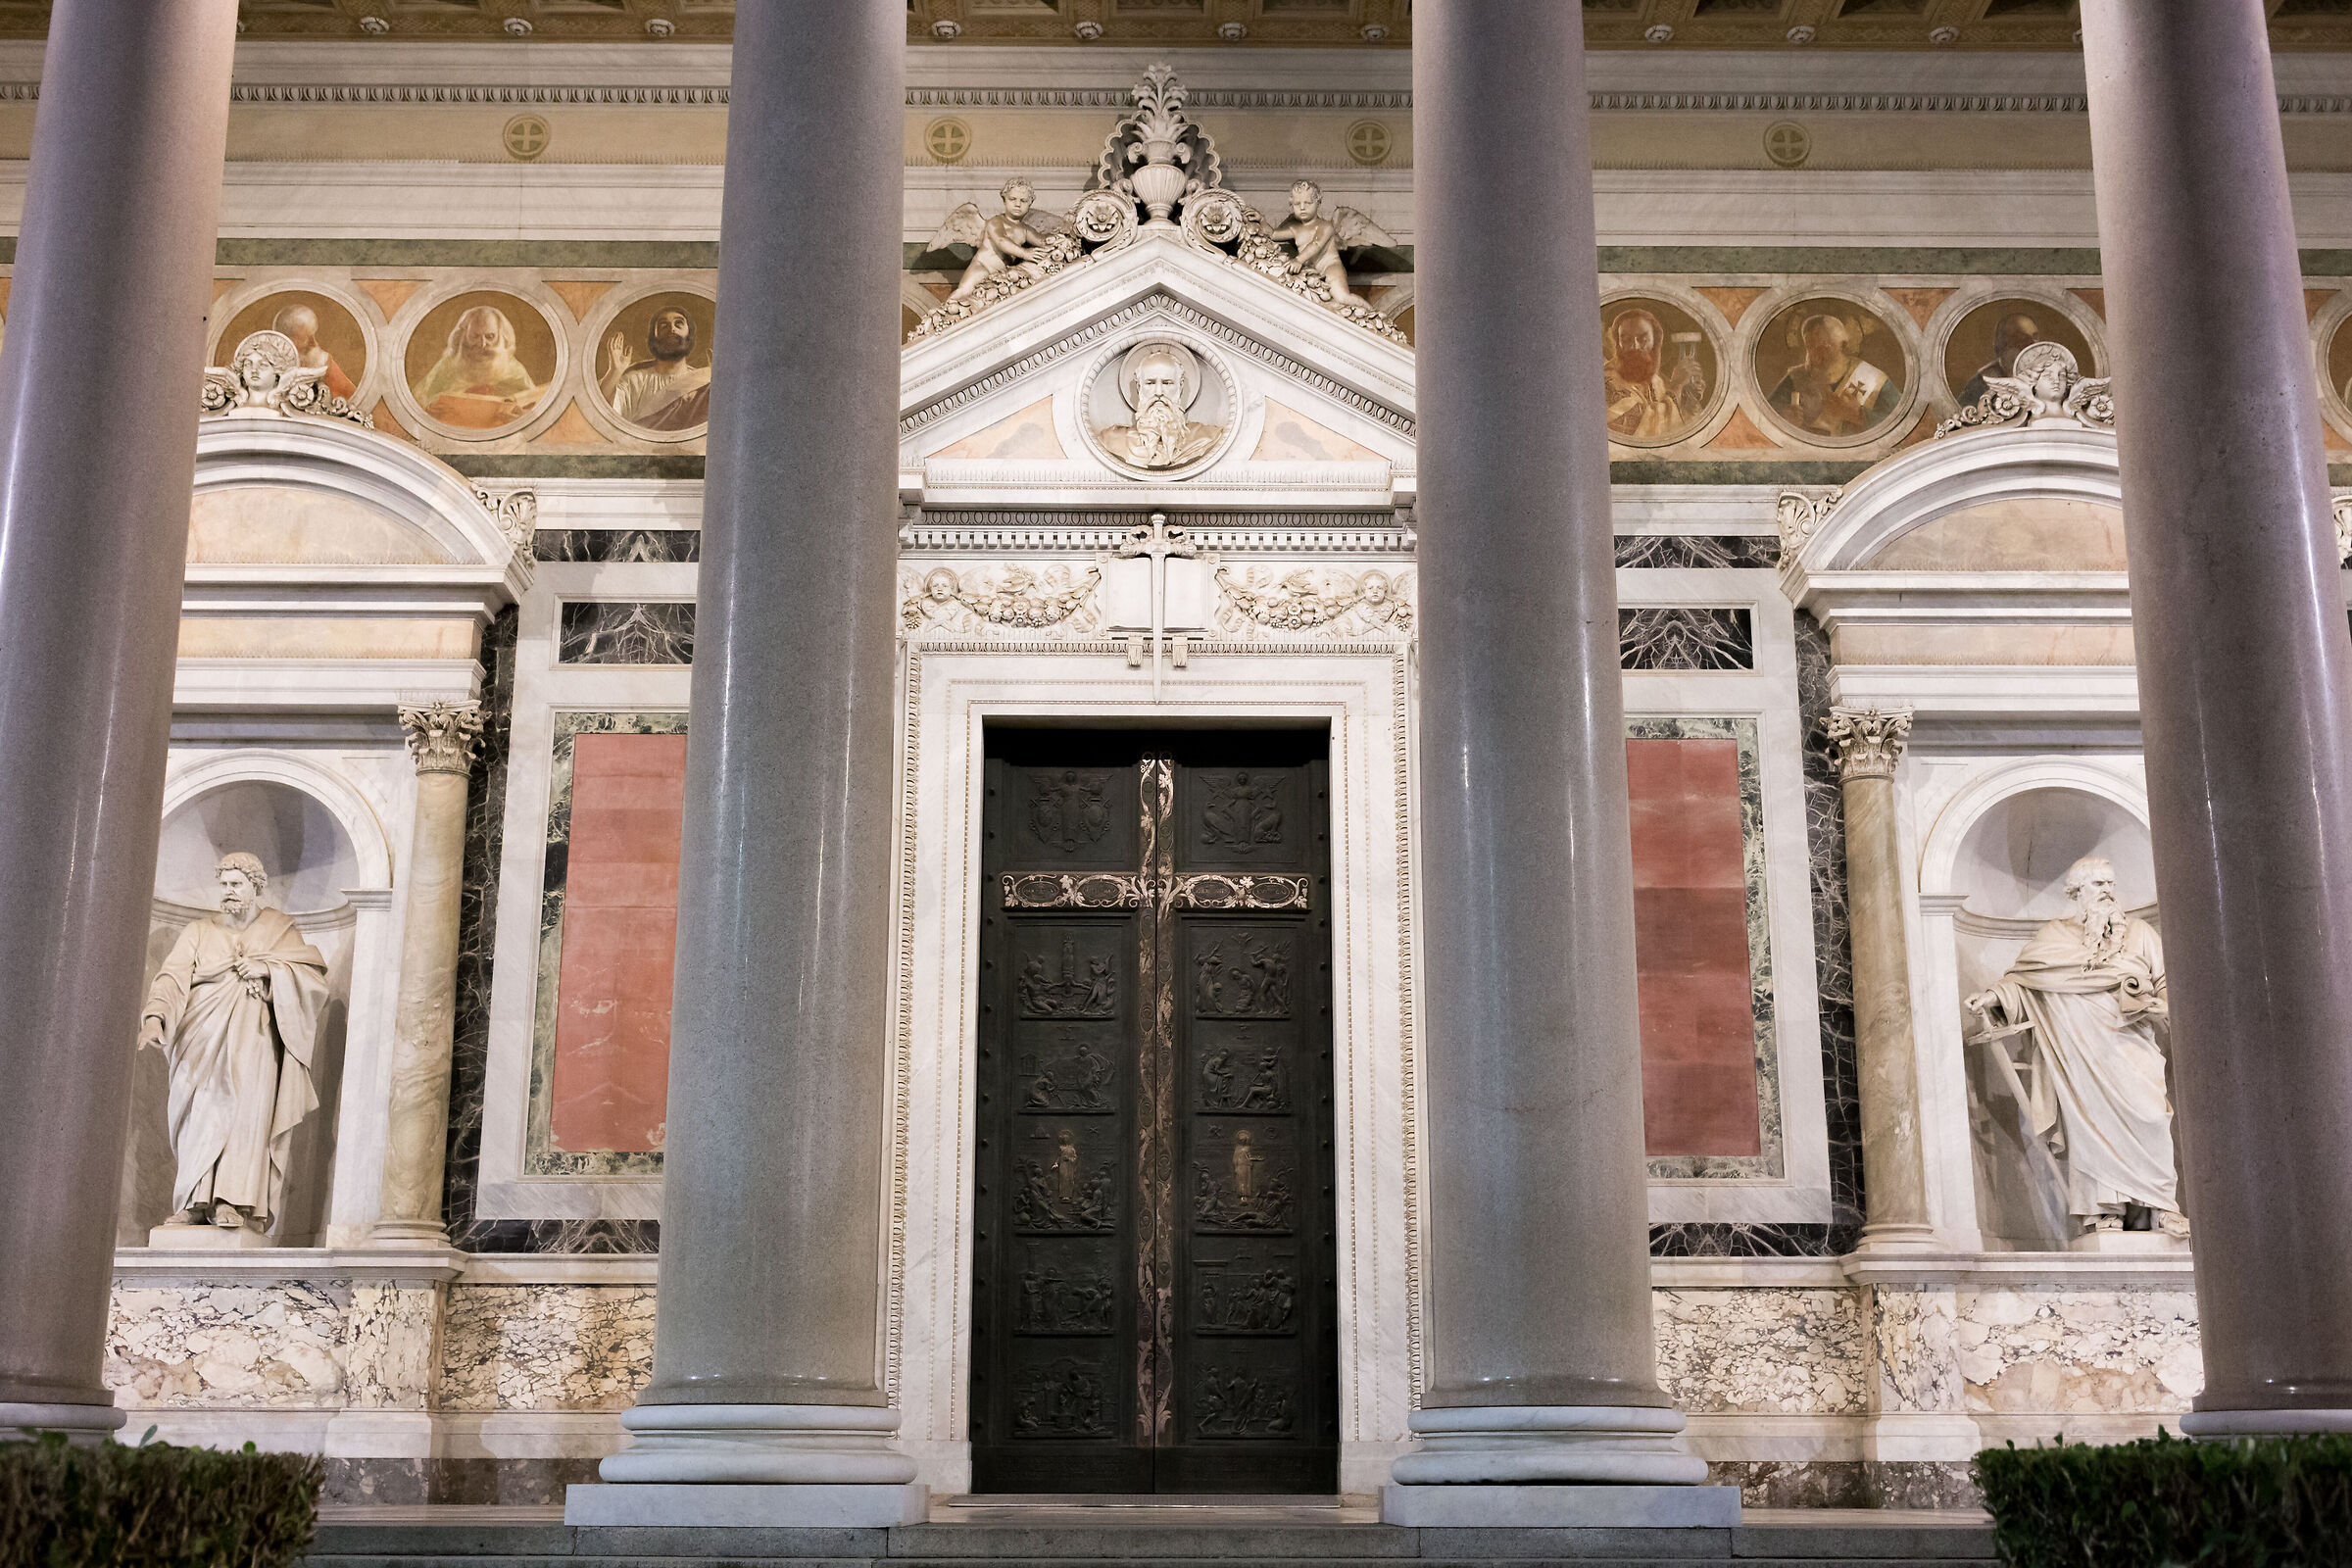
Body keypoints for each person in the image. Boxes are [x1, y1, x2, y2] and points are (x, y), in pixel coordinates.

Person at [1966, 856, 2187, 1240]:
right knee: (2093, 1131)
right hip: (2080, 1056)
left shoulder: (2140, 935)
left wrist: (2154, 1006)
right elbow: (2024, 981)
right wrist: (1993, 999)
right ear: (2076, 893)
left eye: (2110, 884)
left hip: (2132, 1049)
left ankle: (2159, 1209)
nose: (2107, 892)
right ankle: (2105, 1213)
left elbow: (2168, 988)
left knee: (2152, 1118)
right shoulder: (2053, 937)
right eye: (2098, 884)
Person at [139, 855, 329, 1235]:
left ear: (256, 887)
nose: (228, 891)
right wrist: (155, 1016)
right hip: (200, 1040)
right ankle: (194, 1201)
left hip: (255, 1044)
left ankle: (232, 1199)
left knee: (246, 1118)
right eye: (224, 884)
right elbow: (171, 978)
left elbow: (313, 981)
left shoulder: (279, 929)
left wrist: (269, 970)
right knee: (202, 1117)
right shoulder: (197, 931)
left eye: (236, 884)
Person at [410, 304, 548, 428]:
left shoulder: (513, 369)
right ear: (464, 335)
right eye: (475, 336)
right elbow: (418, 402)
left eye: (490, 337)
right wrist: (430, 410)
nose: (482, 344)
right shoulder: (448, 365)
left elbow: (533, 406)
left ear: (501, 336)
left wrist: (521, 417)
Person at [1766, 313, 1899, 437]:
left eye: (1824, 347)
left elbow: (1900, 421)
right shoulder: (1796, 377)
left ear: (1841, 345)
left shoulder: (1873, 378)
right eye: (1810, 346)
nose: (1815, 355)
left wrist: (1858, 415)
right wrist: (1784, 418)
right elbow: (1766, 417)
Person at [1095, 341, 1223, 468]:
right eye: (1150, 383)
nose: (1159, 392)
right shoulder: (1113, 440)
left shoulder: (1205, 438)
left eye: (1167, 383)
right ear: (1139, 387)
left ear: (1180, 386)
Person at [600, 305, 711, 431]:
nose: (672, 329)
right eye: (663, 325)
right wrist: (615, 371)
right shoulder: (635, 381)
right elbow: (603, 413)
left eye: (679, 324)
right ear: (653, 337)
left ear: (689, 335)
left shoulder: (702, 382)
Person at [1603, 307, 1707, 441]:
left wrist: (1688, 393)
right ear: (1618, 343)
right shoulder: (1607, 381)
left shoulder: (1657, 380)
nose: (1634, 346)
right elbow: (1636, 430)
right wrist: (1676, 386)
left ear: (1655, 341)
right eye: (1626, 339)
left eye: (1642, 339)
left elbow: (1684, 428)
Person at [949, 178, 1059, 301]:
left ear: (1030, 203)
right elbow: (1001, 240)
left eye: (1023, 200)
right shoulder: (996, 221)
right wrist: (1024, 253)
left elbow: (1041, 241)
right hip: (982, 266)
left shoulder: (1025, 229)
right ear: (1004, 200)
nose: (1018, 204)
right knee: (963, 293)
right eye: (1013, 199)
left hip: (1000, 276)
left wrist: (1055, 238)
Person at [1266, 180, 1369, 308]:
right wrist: (1260, 220)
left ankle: (1371, 314)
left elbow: (1316, 244)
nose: (1302, 207)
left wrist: (1298, 260)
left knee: (1342, 297)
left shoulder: (1325, 226)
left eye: (1307, 203)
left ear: (1318, 203)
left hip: (1330, 267)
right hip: (1312, 272)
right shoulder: (1295, 228)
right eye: (1297, 204)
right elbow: (1273, 235)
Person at [1957, 311, 2044, 411]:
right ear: (2003, 343)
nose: (2032, 344)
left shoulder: (2048, 374)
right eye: (2022, 338)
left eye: (2035, 337)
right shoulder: (1981, 381)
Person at [272, 302, 356, 401]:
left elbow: (350, 397)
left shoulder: (321, 360)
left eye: (313, 335)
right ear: (288, 340)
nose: (313, 343)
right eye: (306, 338)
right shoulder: (262, 362)